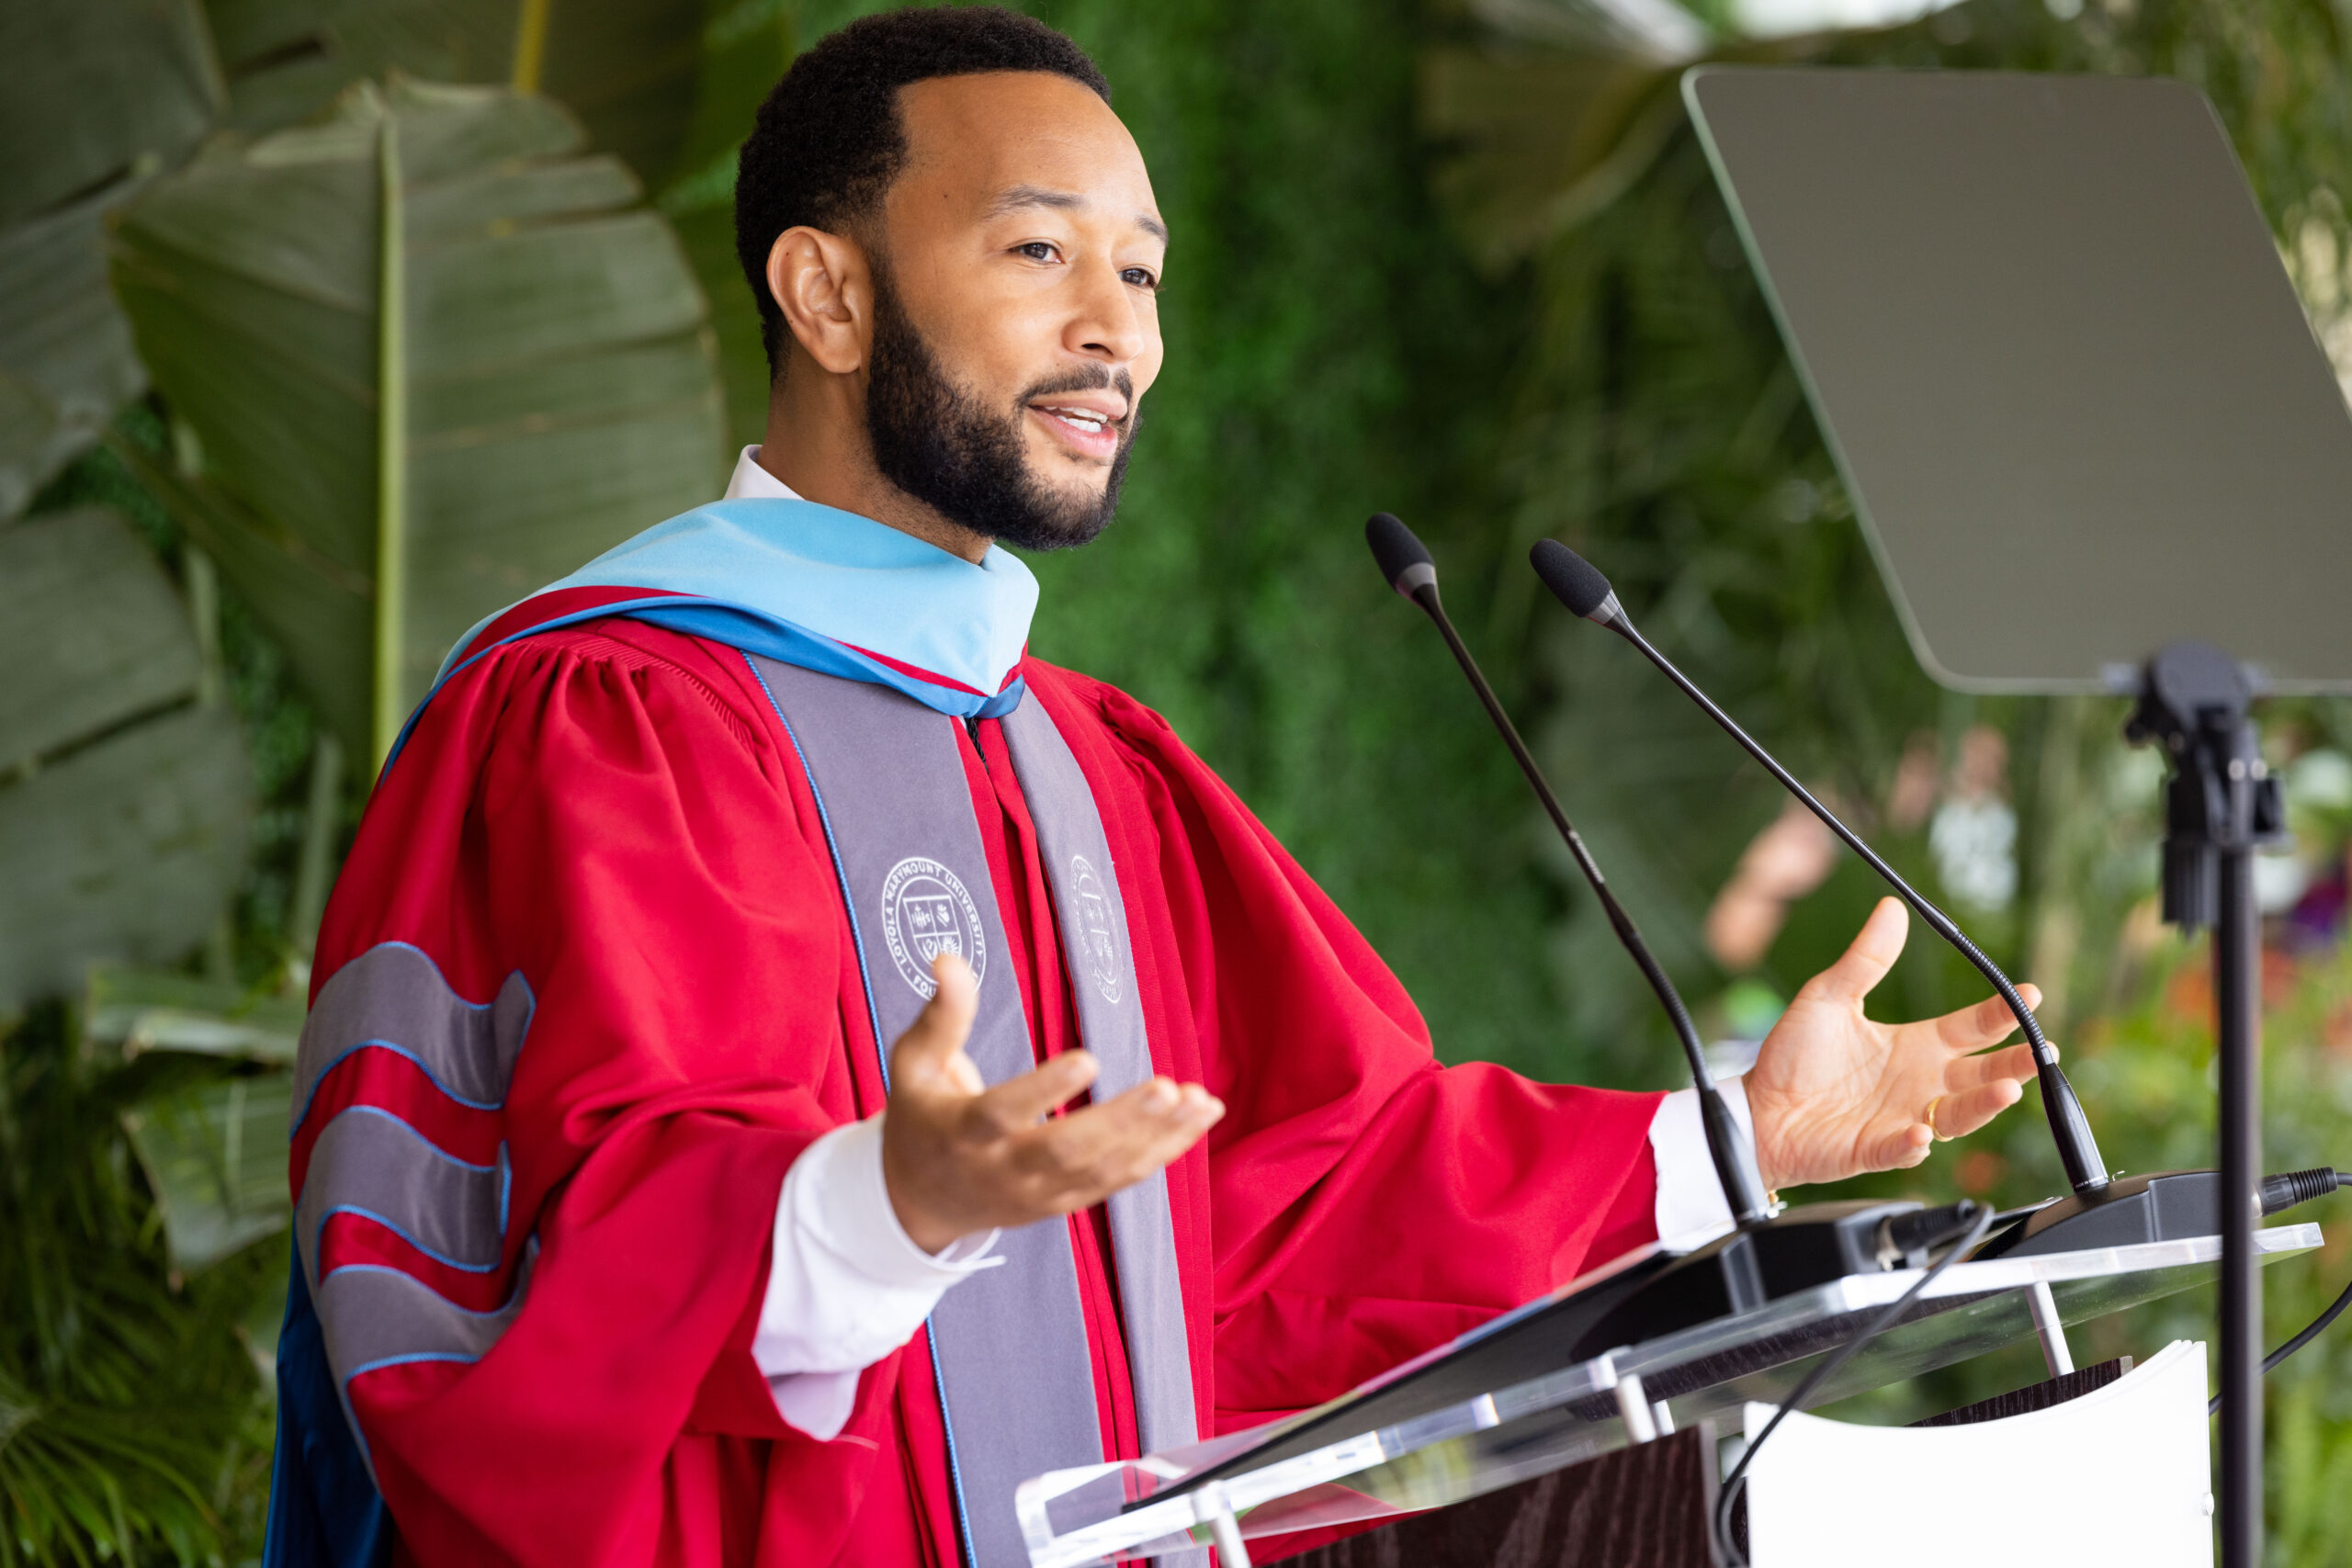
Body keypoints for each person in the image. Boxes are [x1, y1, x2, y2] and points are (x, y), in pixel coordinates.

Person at [264, 10, 2045, 1566]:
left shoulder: (1089, 764)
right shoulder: (614, 710)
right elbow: (539, 1276)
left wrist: (1724, 1137)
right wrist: (894, 1198)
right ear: (825, 291)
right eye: (1040, 252)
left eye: (1143, 270)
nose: (1115, 329)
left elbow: (1297, 1202)